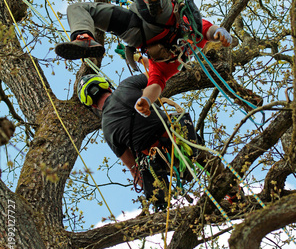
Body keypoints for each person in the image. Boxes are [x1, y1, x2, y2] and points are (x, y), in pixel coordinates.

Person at [55, 0, 233, 118]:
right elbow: (209, 31)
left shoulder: (166, 66)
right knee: (77, 8)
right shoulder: (194, 35)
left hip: (145, 31)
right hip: (153, 18)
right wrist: (220, 33)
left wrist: (146, 100)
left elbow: (155, 85)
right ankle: (85, 35)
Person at [77, 72, 203, 211]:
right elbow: (157, 72)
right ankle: (229, 188)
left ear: (93, 106)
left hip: (159, 160)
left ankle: (161, 206)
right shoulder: (127, 85)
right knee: (206, 159)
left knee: (145, 169)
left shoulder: (107, 130)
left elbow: (133, 169)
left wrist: (148, 189)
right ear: (107, 87)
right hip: (182, 139)